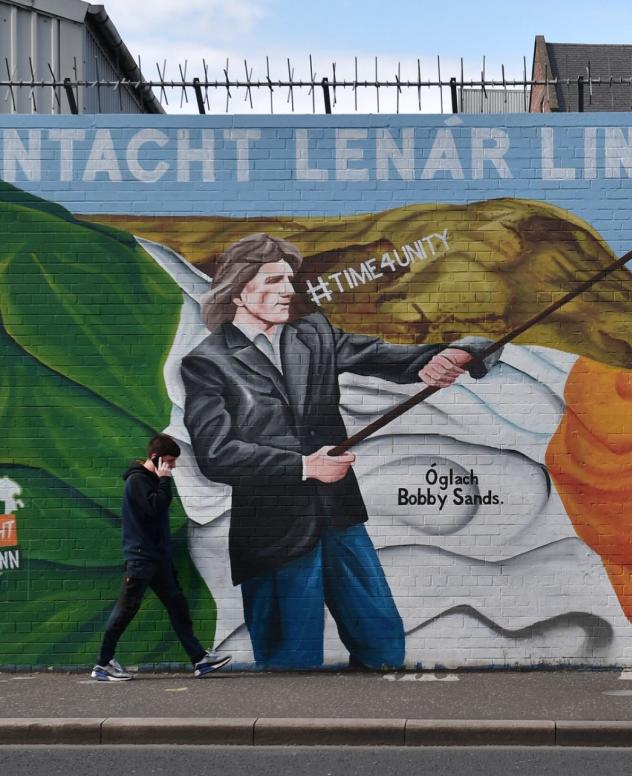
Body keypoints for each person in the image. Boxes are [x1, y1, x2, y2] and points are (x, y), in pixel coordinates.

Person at [180, 233, 498, 669]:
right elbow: (216, 453)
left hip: (340, 516)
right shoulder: (209, 361)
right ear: (238, 288)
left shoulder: (313, 334)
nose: (288, 292)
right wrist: (303, 466)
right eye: (273, 281)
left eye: (288, 281)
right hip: (275, 533)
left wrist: (451, 355)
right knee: (291, 662)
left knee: (384, 644)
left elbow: (387, 357)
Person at [92, 433, 231, 681]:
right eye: (169, 461)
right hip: (142, 559)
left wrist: (163, 479)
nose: (173, 466)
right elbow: (155, 507)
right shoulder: (137, 481)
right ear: (155, 458)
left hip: (157, 560)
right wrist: (165, 480)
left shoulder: (151, 479)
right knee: (126, 610)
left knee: (178, 607)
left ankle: (199, 659)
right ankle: (103, 665)